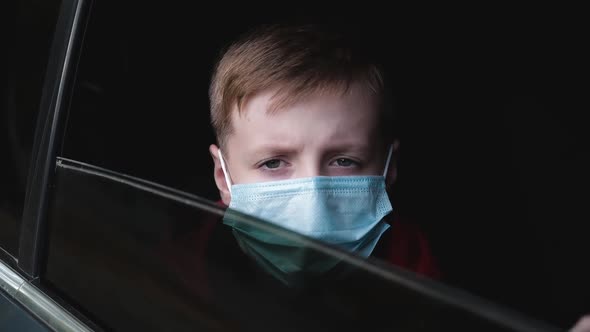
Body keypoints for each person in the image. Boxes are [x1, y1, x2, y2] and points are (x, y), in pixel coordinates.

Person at [206, 23, 438, 282]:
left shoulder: (428, 285)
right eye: (272, 163)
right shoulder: (176, 264)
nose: (313, 206)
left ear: (390, 167)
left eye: (344, 161)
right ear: (222, 176)